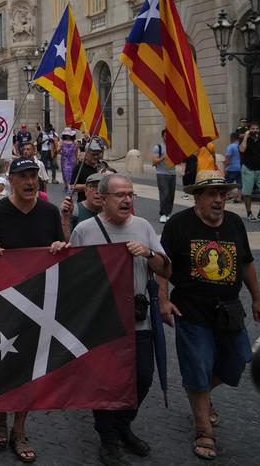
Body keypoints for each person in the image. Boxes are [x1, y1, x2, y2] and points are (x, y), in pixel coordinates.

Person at [159, 170, 260, 460]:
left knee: (237, 360)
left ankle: (201, 395)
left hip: (230, 309)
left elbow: (245, 263)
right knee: (197, 365)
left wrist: (258, 298)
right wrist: (163, 300)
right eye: (213, 194)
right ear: (198, 197)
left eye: (223, 193)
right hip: (191, 308)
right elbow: (162, 266)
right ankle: (203, 428)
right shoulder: (178, 225)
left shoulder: (233, 223)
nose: (219, 199)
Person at [68, 174, 170, 464]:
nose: (127, 200)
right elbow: (73, 276)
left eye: (130, 194)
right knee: (105, 384)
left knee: (143, 378)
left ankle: (124, 425)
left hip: (139, 322)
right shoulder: (85, 231)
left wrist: (148, 252)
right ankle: (108, 438)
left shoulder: (143, 227)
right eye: (120, 195)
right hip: (101, 323)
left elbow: (166, 270)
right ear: (102, 198)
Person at [0, 157, 68, 463]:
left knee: (31, 367)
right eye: (24, 176)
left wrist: (60, 247)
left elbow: (62, 248)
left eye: (34, 176)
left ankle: (20, 428)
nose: (30, 182)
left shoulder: (50, 212)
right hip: (4, 304)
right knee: (3, 363)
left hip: (40, 303)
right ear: (11, 180)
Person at [239, 121, 260, 221]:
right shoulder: (245, 140)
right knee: (247, 193)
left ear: (259, 130)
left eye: (257, 129)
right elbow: (242, 150)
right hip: (248, 169)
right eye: (253, 129)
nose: (255, 130)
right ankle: (249, 213)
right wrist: (245, 137)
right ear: (249, 130)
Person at [151, 129, 177, 224]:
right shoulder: (158, 147)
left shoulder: (174, 147)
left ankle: (167, 214)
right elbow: (154, 161)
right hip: (161, 173)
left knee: (171, 195)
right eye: (166, 135)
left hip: (172, 173)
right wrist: (164, 157)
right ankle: (163, 214)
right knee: (164, 194)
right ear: (163, 136)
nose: (168, 137)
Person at [223, 131, 242, 203]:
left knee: (227, 182)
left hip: (232, 168)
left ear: (232, 138)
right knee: (239, 183)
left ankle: (228, 195)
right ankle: (239, 197)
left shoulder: (230, 146)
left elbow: (228, 158)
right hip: (240, 167)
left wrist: (225, 167)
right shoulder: (241, 146)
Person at [59, 128, 78, 194]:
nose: (67, 135)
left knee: (71, 173)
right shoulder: (62, 142)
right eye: (66, 134)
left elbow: (76, 152)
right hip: (64, 160)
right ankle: (67, 186)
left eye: (69, 134)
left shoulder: (74, 142)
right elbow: (58, 150)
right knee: (65, 173)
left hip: (72, 160)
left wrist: (77, 160)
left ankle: (70, 187)